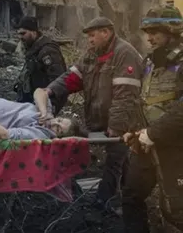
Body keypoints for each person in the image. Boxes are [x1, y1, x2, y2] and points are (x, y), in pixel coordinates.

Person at [39, 16, 144, 214]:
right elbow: (72, 77)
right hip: (101, 117)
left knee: (114, 160)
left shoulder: (124, 53)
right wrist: (50, 90)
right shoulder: (92, 54)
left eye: (93, 35)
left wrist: (117, 127)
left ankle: (104, 202)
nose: (90, 40)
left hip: (123, 119)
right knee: (122, 161)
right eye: (88, 37)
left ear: (107, 32)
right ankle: (131, 197)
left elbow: (125, 96)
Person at [107, 6, 183, 233]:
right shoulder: (150, 63)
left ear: (172, 32)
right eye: (148, 32)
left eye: (155, 32)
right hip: (147, 146)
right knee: (132, 196)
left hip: (176, 149)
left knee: (176, 209)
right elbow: (144, 102)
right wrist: (134, 131)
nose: (149, 38)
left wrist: (153, 133)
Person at [13, 16, 68, 109]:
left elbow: (58, 80)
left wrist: (50, 105)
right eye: (19, 34)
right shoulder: (33, 48)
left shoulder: (47, 50)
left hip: (44, 102)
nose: (20, 37)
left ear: (34, 32)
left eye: (23, 33)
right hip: (33, 100)